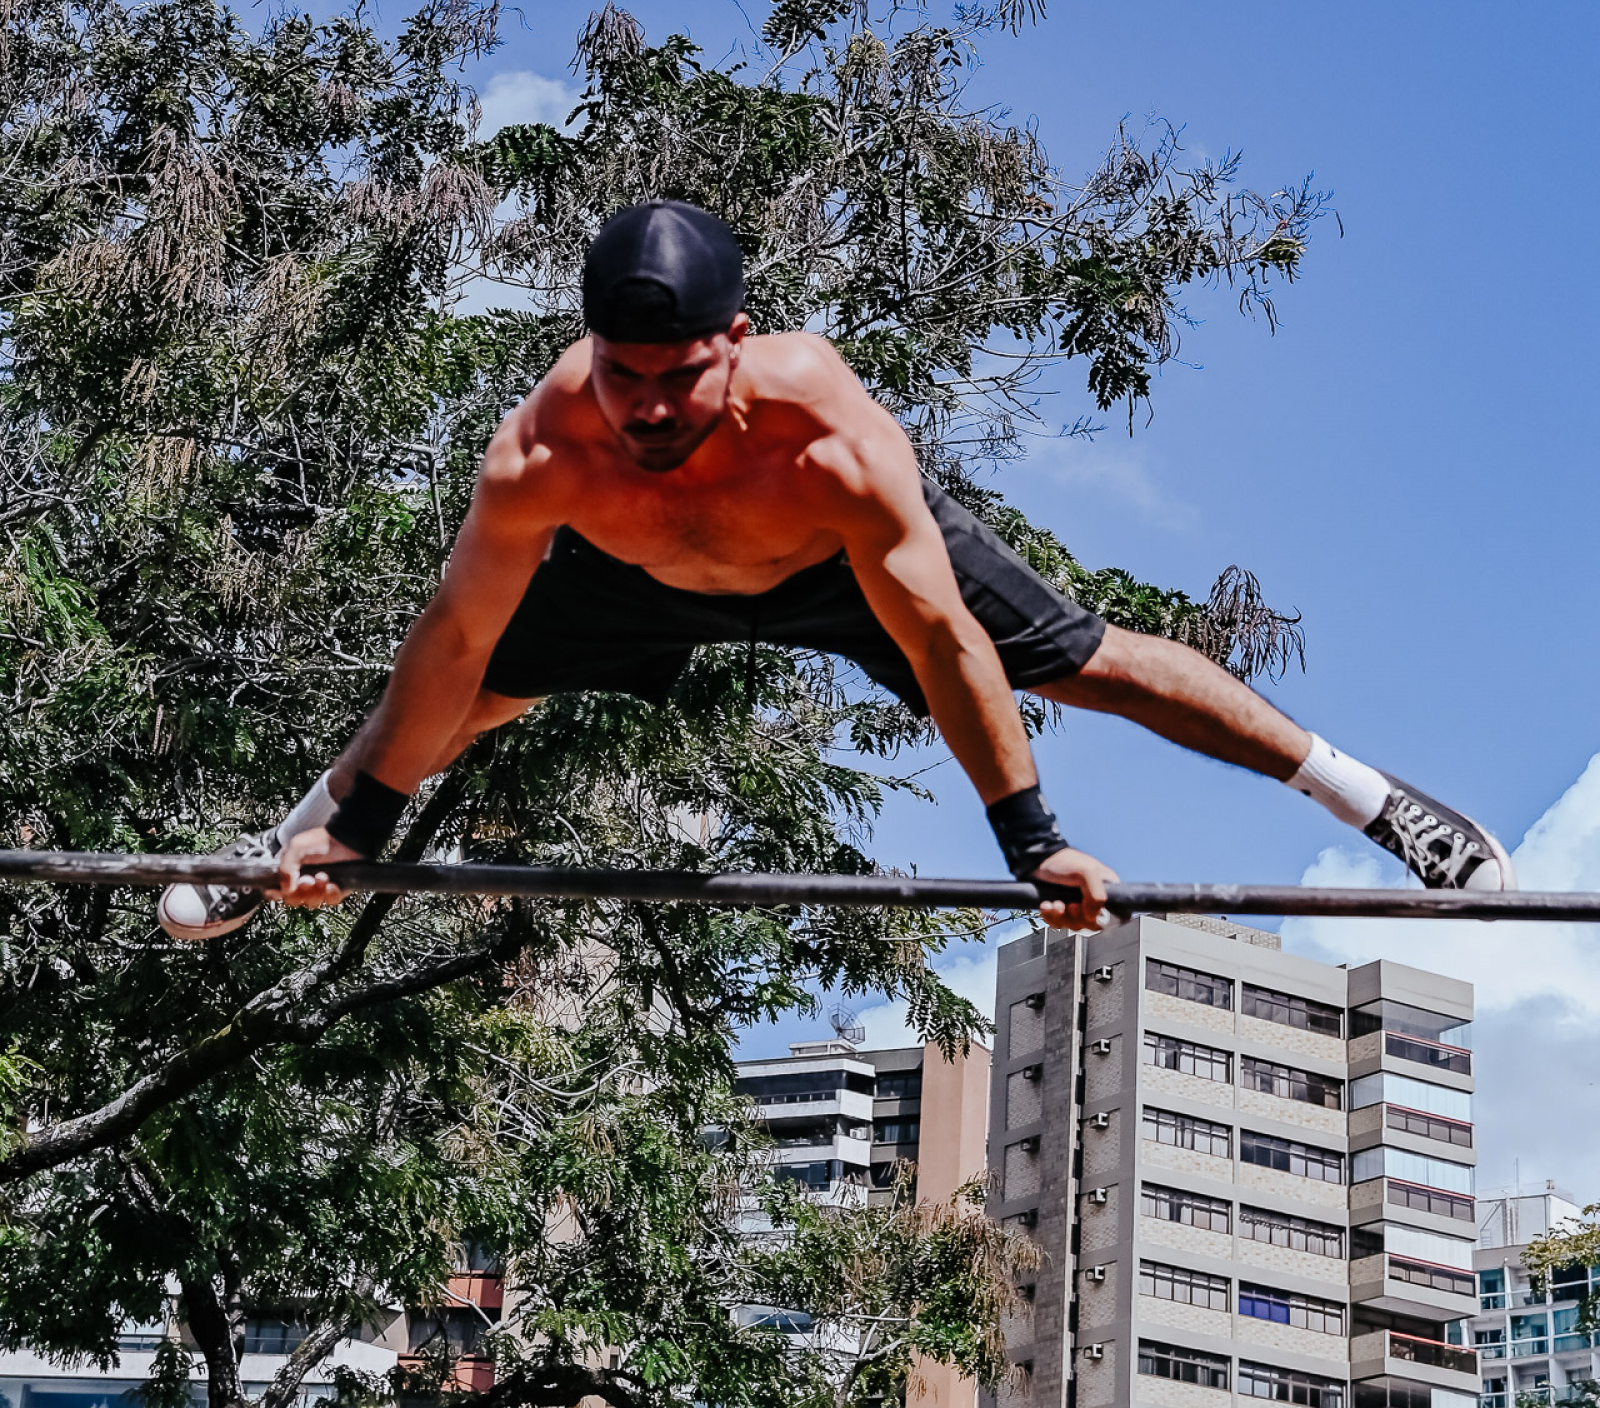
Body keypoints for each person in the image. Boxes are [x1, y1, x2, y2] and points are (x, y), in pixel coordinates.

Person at [159, 199, 1514, 943]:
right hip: (629, 573)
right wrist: (368, 837)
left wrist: (1030, 846)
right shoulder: (543, 453)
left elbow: (942, 644)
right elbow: (450, 638)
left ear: (736, 343)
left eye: (676, 380)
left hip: (831, 566)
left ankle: (1376, 803)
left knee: (1091, 661)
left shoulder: (840, 447)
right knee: (464, 698)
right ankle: (293, 839)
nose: (645, 410)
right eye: (621, 380)